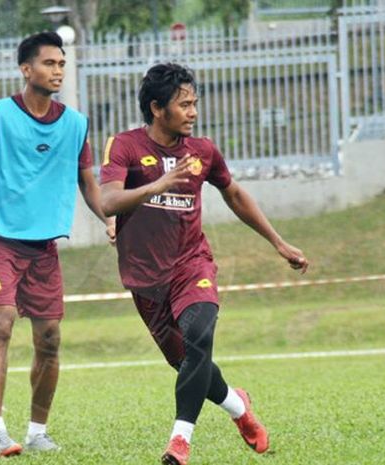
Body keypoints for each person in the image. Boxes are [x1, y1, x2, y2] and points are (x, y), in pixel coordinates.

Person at [100, 63, 308, 465]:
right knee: (187, 363)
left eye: (195, 103)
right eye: (184, 104)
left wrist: (278, 242)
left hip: (191, 266)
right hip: (145, 280)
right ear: (158, 108)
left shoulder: (204, 151)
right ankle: (238, 407)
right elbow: (108, 201)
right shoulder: (124, 146)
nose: (193, 112)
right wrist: (156, 186)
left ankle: (180, 442)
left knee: (199, 336)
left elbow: (233, 194)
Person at [0, 31, 115, 457]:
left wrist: (110, 219)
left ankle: (39, 431)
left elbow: (88, 183)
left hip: (44, 248)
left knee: (49, 339)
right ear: (26, 69)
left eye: (61, 64)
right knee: (1, 324)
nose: (57, 70)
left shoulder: (75, 123)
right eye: (48, 63)